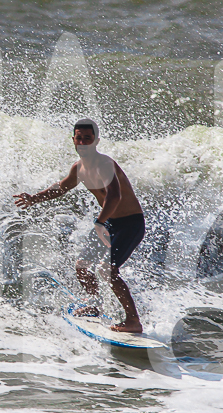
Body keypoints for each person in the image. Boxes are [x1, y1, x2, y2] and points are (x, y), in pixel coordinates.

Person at [13, 119, 146, 333]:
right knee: (82, 266)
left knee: (108, 270)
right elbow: (61, 187)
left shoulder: (105, 165)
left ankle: (133, 321)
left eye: (88, 138)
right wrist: (34, 198)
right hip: (109, 222)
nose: (83, 142)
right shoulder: (79, 168)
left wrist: (99, 222)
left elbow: (114, 196)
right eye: (79, 138)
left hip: (130, 223)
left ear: (96, 141)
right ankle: (94, 305)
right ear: (73, 140)